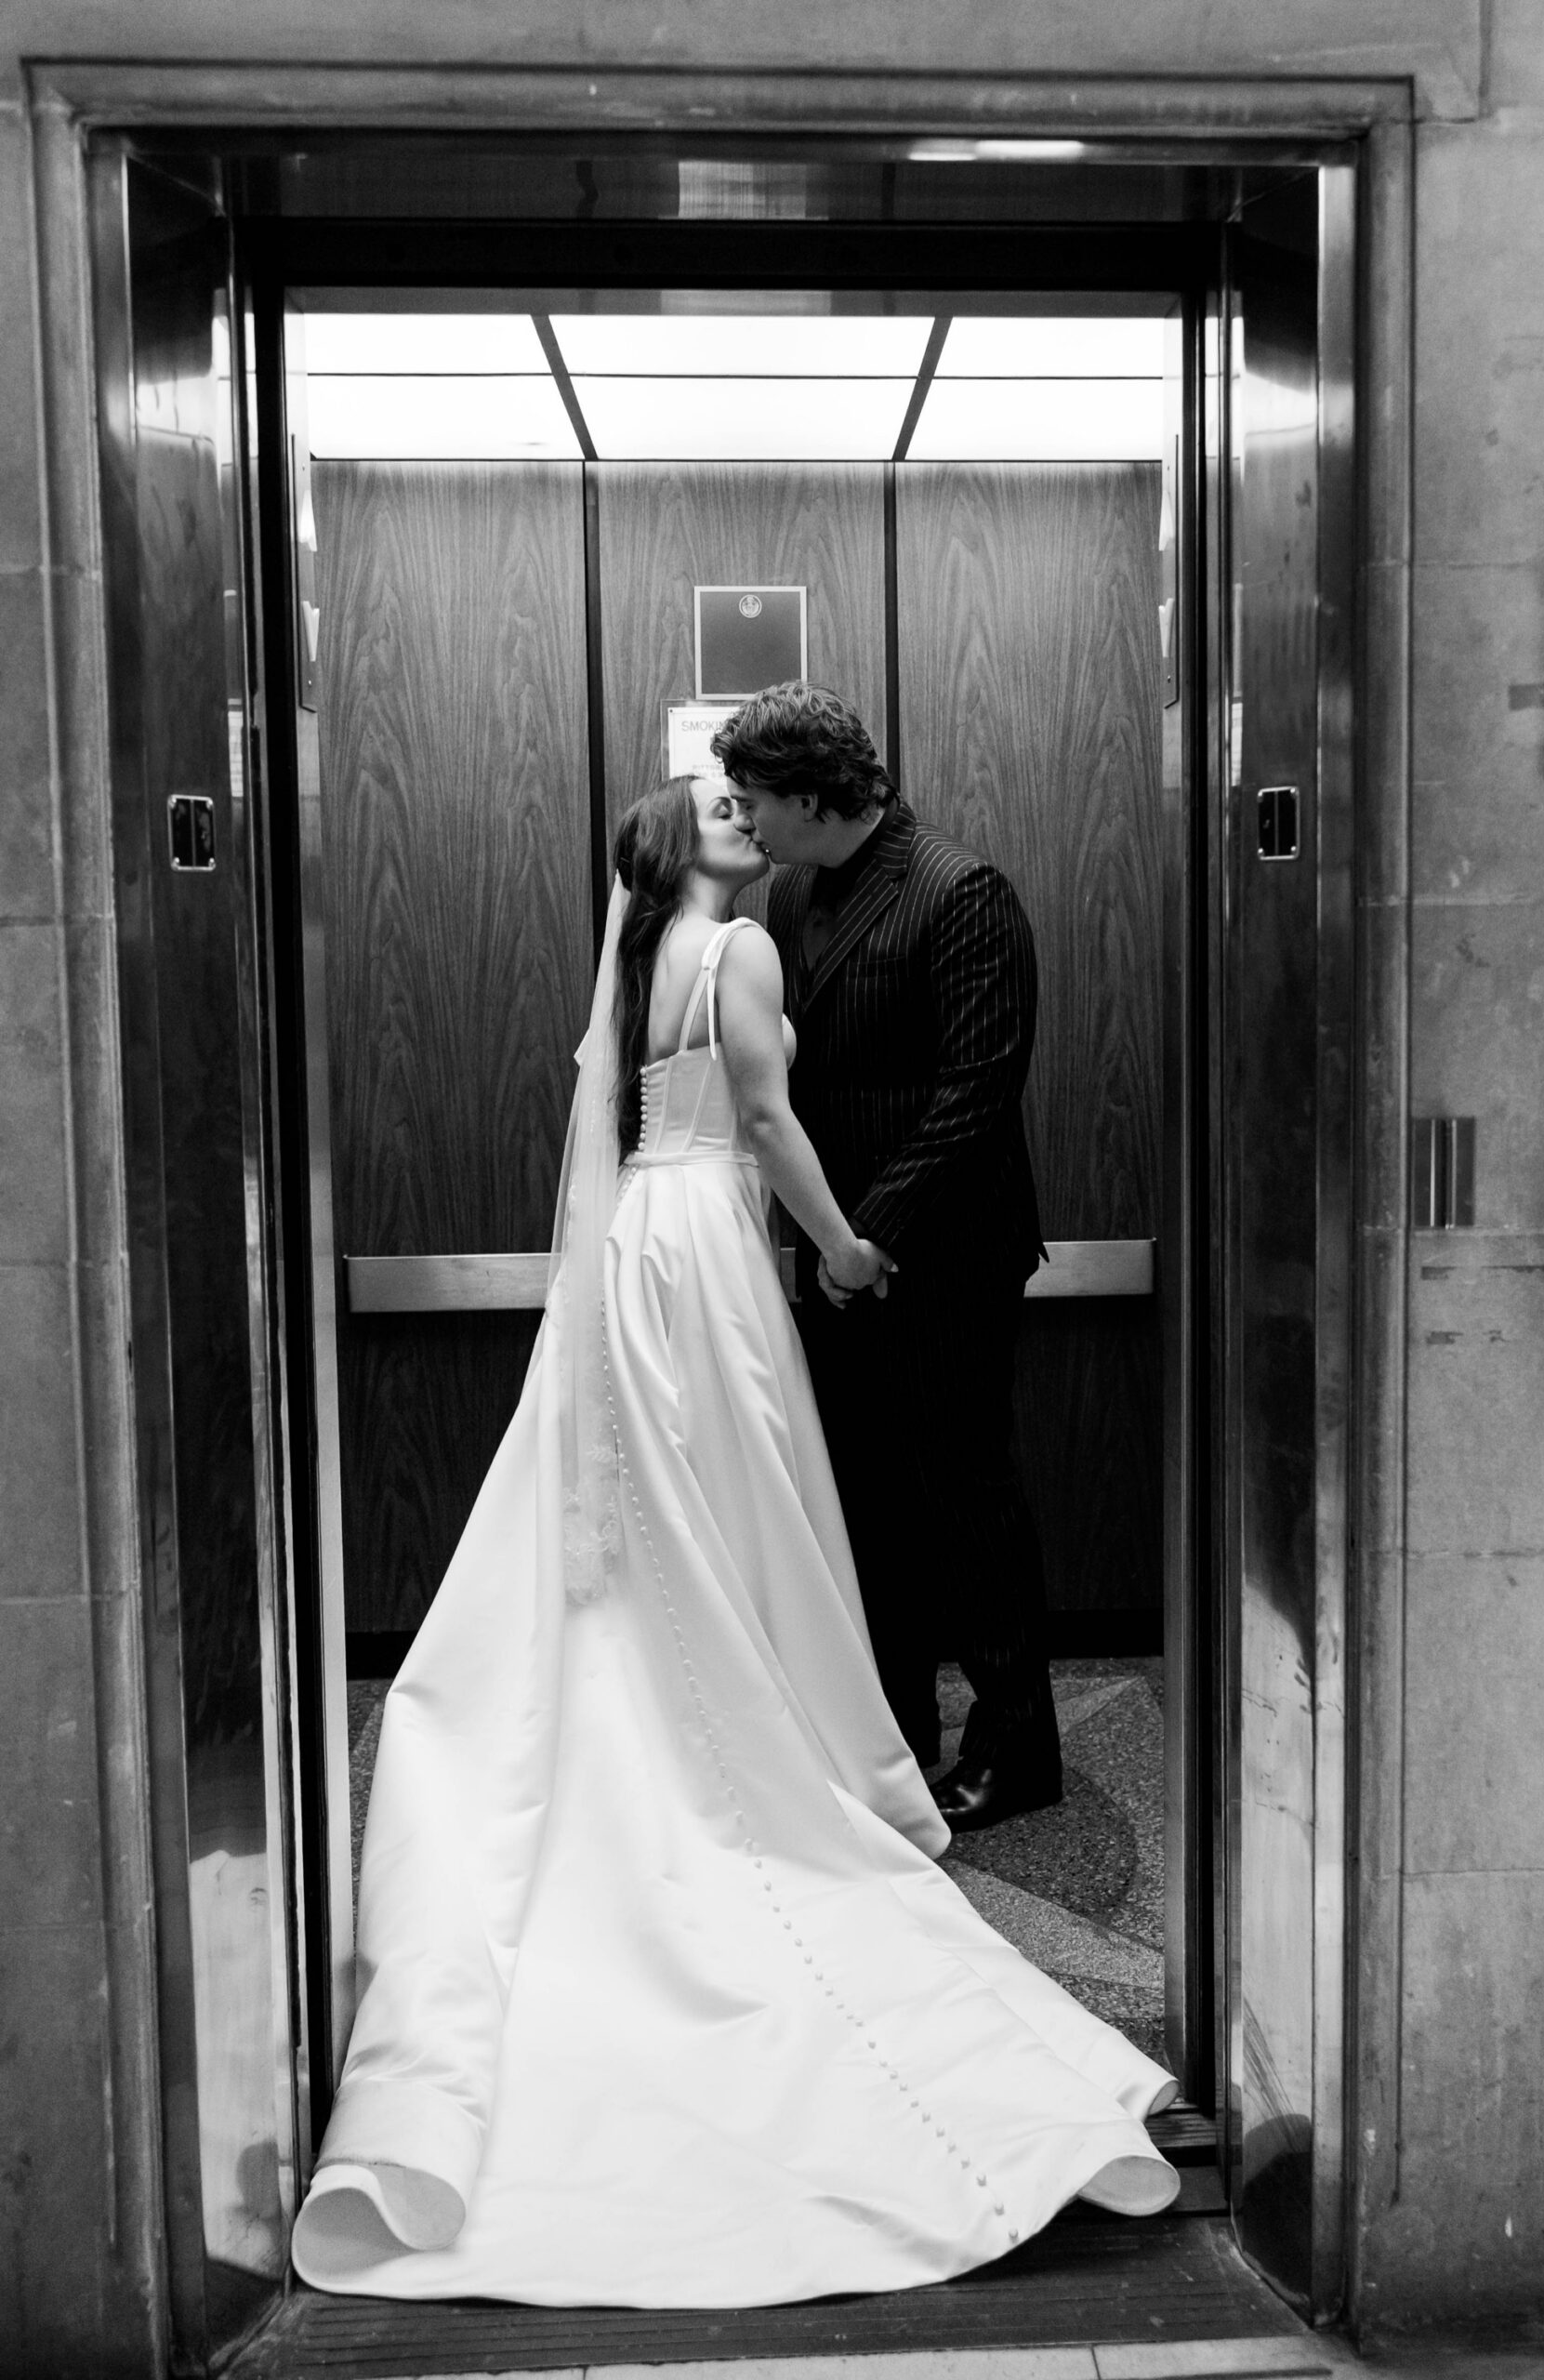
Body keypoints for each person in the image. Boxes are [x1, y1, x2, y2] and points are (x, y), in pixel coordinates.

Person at [289, 773, 1177, 2311]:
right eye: (716, 812)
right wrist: (840, 1245)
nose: (738, 822)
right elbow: (763, 1116)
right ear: (677, 852)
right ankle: (775, 1738)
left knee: (664, 1510)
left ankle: (670, 1710)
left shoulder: (634, 963)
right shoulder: (743, 947)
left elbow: (641, 1121)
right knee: (746, 1493)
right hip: (711, 1246)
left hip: (634, 1239)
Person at [715, 682, 1062, 1832]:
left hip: (942, 1253)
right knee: (865, 1504)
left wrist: (873, 1236)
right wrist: (825, 1240)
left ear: (812, 796)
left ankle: (1017, 1749)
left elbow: (977, 1090)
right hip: (837, 1257)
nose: (743, 817)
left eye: (756, 797)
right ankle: (898, 1734)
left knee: (967, 1500)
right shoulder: (789, 886)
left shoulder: (961, 891)